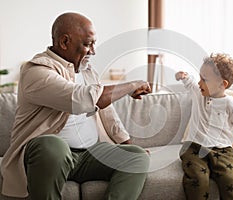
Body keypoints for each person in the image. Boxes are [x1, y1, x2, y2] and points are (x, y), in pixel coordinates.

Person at [0, 12, 152, 200]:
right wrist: (131, 85)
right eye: (88, 44)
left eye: (94, 43)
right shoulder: (36, 71)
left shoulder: (87, 72)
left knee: (136, 156)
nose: (93, 51)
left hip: (89, 155)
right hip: (49, 157)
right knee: (54, 146)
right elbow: (83, 100)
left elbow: (107, 112)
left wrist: (127, 144)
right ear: (64, 42)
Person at [175, 53, 233, 200]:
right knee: (198, 180)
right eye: (200, 77)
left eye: (204, 79)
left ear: (223, 84)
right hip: (194, 147)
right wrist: (182, 76)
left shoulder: (230, 105)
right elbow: (189, 82)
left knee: (230, 182)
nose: (199, 83)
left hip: (222, 150)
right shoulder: (198, 94)